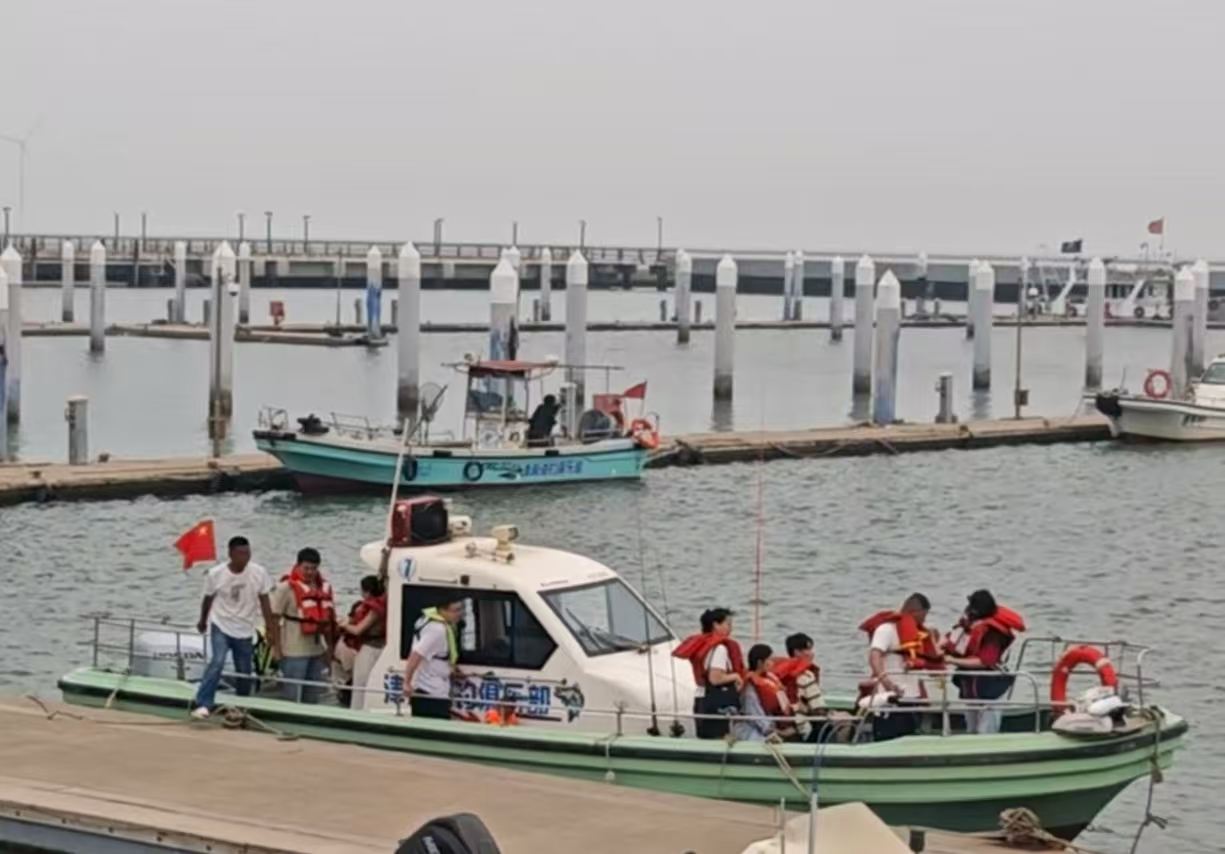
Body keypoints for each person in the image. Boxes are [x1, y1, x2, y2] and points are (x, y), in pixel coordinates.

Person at [191, 536, 277, 719]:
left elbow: (265, 601)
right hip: (221, 624)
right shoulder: (216, 573)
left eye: (248, 553)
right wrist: (202, 620)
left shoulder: (259, 573)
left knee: (244, 670)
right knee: (218, 661)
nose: (245, 558)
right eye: (241, 554)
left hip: (244, 628)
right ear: (231, 554)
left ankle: (242, 704)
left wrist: (270, 628)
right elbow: (207, 599)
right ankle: (204, 702)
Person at [943, 589, 1026, 734]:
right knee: (971, 728)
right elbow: (952, 641)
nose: (968, 611)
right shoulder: (969, 626)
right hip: (971, 686)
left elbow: (984, 661)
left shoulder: (993, 633)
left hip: (990, 688)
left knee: (986, 730)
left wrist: (952, 660)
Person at [859, 593, 942, 740]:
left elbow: (933, 659)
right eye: (924, 615)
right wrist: (885, 681)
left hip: (913, 696)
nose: (925, 620)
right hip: (890, 695)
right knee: (888, 734)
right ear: (915, 612)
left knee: (910, 733)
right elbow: (874, 656)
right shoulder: (886, 630)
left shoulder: (919, 634)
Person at [270, 547, 335, 704]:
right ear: (298, 565)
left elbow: (328, 620)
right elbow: (273, 619)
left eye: (313, 568)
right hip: (293, 649)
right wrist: (276, 649)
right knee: (293, 692)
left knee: (313, 693)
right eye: (306, 568)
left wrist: (330, 649)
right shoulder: (285, 588)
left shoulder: (323, 588)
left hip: (316, 649)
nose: (310, 572)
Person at [672, 607, 745, 739]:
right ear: (716, 625)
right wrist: (736, 676)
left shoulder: (703, 645)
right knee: (720, 737)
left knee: (705, 735)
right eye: (728, 624)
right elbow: (715, 678)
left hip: (702, 699)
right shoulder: (720, 648)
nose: (731, 628)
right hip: (717, 703)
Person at [403, 595, 465, 719]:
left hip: (435, 689)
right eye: (456, 611)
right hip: (431, 691)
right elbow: (416, 655)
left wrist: (453, 669)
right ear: (442, 610)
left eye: (461, 609)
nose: (460, 614)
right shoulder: (437, 630)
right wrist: (406, 682)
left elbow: (438, 654)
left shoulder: (426, 620)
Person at [336, 575, 388, 709]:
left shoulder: (375, 610)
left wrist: (343, 624)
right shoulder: (386, 602)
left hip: (370, 649)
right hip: (383, 648)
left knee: (360, 685)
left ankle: (357, 711)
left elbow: (358, 630)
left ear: (367, 592)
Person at [735, 644, 795, 742]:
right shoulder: (750, 687)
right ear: (760, 663)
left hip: (772, 722)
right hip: (752, 727)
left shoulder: (769, 679)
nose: (773, 663)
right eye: (770, 660)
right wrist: (770, 731)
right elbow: (753, 712)